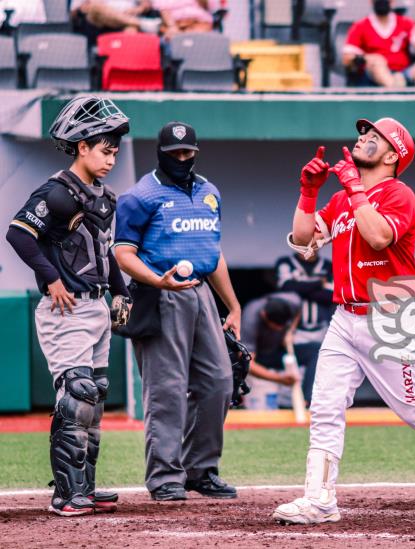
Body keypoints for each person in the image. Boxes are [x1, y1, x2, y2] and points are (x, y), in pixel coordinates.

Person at [272, 117, 415, 525]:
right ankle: (319, 499)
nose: (362, 138)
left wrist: (354, 189)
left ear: (393, 155)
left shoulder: (400, 193)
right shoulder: (340, 200)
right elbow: (304, 239)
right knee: (325, 406)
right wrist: (308, 192)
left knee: (413, 407)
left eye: (374, 137)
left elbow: (378, 237)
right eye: (363, 133)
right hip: (345, 316)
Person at [5, 96, 130, 516]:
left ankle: (85, 488)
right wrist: (51, 277)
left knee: (94, 397)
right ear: (81, 146)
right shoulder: (56, 192)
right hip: (65, 309)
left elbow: (105, 251)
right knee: (75, 394)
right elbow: (19, 233)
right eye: (104, 150)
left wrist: (121, 292)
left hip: (94, 307)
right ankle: (65, 494)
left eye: (114, 151)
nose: (111, 158)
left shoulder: (103, 196)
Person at [113, 121, 239, 501]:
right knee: (166, 389)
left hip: (200, 292)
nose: (182, 159)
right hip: (160, 294)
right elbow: (121, 253)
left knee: (219, 381)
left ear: (195, 153)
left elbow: (212, 253)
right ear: (161, 154)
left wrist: (232, 304)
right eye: (175, 154)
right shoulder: (140, 196)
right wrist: (158, 281)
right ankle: (165, 476)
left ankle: (200, 470)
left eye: (188, 153)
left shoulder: (209, 192)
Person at [275, 248, 334, 405]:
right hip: (293, 331)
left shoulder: (328, 266)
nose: (308, 248)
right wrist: (317, 284)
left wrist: (301, 288)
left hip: (321, 329)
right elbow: (286, 288)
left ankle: (312, 404)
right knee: (292, 371)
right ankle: (288, 408)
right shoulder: (286, 263)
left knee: (320, 371)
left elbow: (331, 296)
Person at [342, 0, 415, 89]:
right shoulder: (360, 26)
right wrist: (368, 58)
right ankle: (394, 91)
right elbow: (347, 58)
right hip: (373, 76)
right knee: (377, 63)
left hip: (403, 72)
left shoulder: (406, 22)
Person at [240, 292, 301, 409]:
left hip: (278, 351)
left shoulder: (292, 300)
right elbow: (249, 364)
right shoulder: (251, 318)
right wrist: (279, 379)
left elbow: (299, 309)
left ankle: (309, 401)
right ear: (264, 315)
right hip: (259, 356)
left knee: (314, 351)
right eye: (276, 327)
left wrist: (290, 331)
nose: (279, 329)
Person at [71, 0, 158, 44]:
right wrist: (84, 8)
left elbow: (146, 5)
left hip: (128, 19)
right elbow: (74, 12)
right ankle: (141, 23)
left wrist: (137, 10)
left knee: (131, 31)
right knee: (95, 7)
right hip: (100, 23)